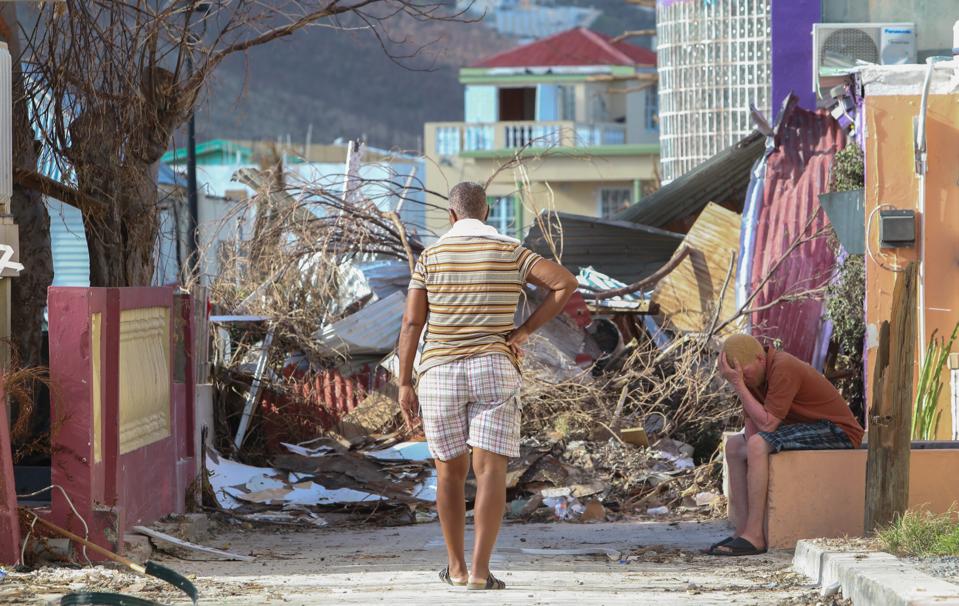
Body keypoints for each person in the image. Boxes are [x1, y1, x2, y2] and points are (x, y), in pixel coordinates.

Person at [397, 182, 578, 590]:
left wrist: (404, 381)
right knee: (491, 470)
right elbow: (565, 283)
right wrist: (524, 331)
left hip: (439, 372)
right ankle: (480, 572)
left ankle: (455, 569)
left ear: (451, 215)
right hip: (494, 368)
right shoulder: (510, 251)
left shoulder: (430, 257)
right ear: (488, 212)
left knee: (449, 473)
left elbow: (411, 322)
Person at [706, 334, 864, 556]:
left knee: (758, 444)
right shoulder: (751, 379)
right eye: (736, 377)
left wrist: (739, 385)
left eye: (745, 374)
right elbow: (752, 429)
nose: (743, 380)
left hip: (838, 431)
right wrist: (741, 384)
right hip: (806, 428)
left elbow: (767, 424)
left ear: (760, 358)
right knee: (734, 447)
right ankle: (742, 532)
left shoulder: (783, 366)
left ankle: (754, 536)